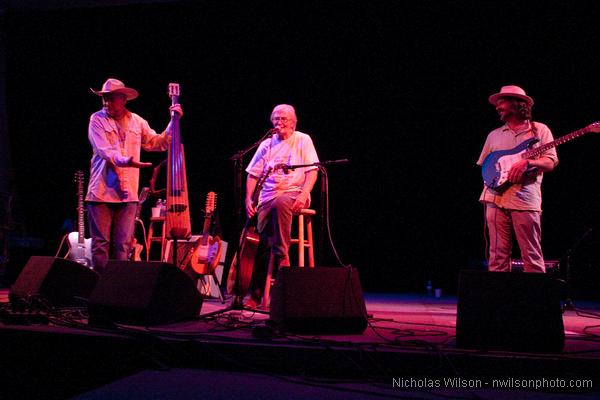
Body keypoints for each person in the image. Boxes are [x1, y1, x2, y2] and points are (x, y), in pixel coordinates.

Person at [85, 78, 183, 273]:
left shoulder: (137, 122)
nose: (106, 102)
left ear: (123, 99)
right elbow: (104, 150)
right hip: (101, 192)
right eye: (104, 98)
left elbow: (158, 142)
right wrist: (126, 161)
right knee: (100, 245)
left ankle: (118, 292)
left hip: (128, 194)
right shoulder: (97, 119)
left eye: (111, 98)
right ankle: (99, 291)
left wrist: (174, 121)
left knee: (123, 246)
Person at [244, 104, 320, 307]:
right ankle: (258, 292)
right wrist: (248, 198)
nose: (280, 122)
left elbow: (313, 171)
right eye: (276, 119)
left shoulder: (303, 139)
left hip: (294, 193)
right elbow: (253, 174)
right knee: (261, 239)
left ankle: (281, 256)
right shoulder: (266, 144)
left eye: (284, 119)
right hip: (267, 198)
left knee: (280, 204)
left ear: (294, 123)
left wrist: (305, 193)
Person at [477, 85, 558, 273]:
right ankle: (498, 300)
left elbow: (550, 163)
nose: (497, 106)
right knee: (497, 255)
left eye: (501, 102)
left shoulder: (539, 130)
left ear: (516, 104)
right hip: (495, 199)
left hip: (525, 198)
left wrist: (529, 162)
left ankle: (537, 301)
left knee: (531, 254)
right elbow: (485, 165)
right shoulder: (494, 135)